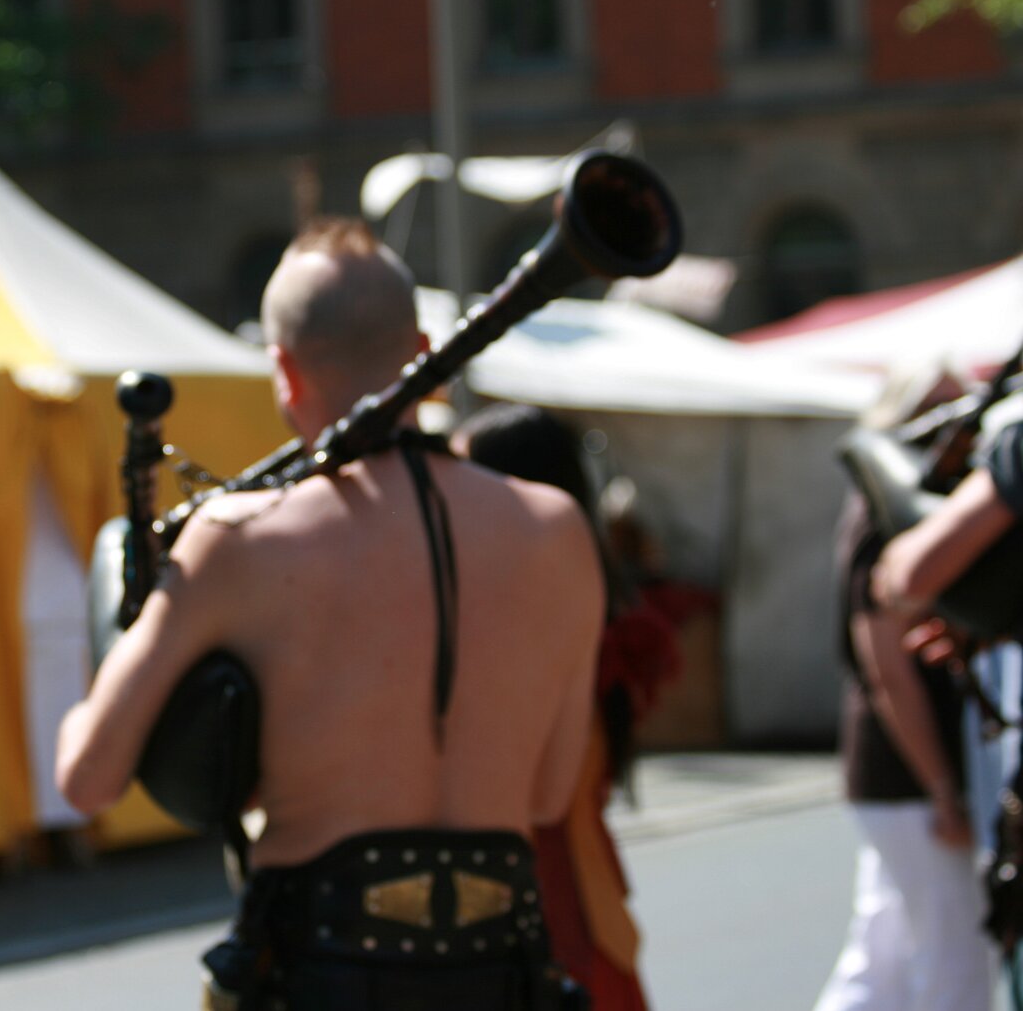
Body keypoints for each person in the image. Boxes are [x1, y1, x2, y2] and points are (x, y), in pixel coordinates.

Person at [58, 218, 603, 1009]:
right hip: (503, 969)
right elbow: (549, 794)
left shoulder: (238, 540)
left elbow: (87, 778)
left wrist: (118, 633)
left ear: (284, 370)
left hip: (321, 972)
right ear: (423, 352)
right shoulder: (558, 530)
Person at [453, 403, 679, 1011]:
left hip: (549, 896)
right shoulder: (582, 591)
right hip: (566, 889)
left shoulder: (544, 609)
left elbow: (547, 786)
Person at [811, 371, 995, 1011]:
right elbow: (888, 665)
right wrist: (942, 787)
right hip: (911, 775)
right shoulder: (889, 513)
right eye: (937, 410)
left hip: (900, 774)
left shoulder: (888, 507)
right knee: (954, 953)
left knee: (884, 953)